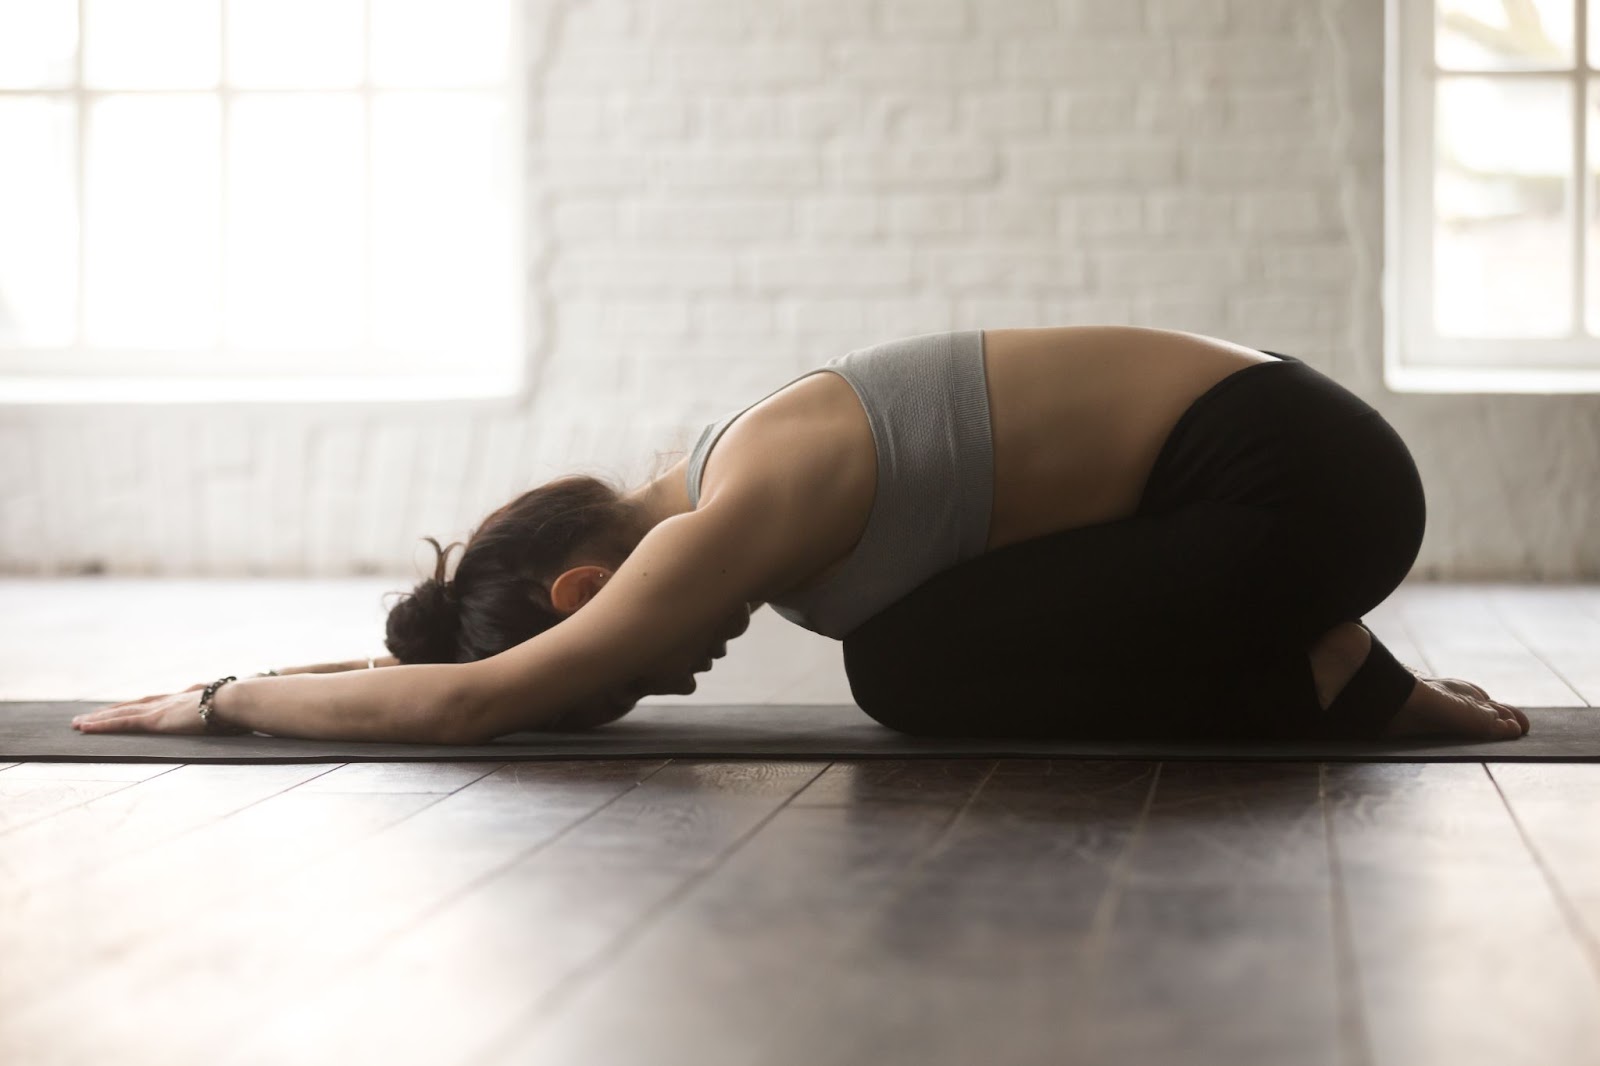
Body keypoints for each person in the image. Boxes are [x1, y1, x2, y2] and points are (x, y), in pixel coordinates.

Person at [72, 326, 1529, 745]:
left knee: (910, 673)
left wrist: (221, 700)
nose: (674, 674)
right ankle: (1339, 670)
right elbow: (470, 667)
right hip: (1290, 478)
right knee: (914, 656)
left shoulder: (746, 502)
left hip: (1300, 486)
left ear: (594, 587)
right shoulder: (742, 473)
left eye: (618, 667)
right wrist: (296, 663)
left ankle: (1340, 677)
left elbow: (478, 697)